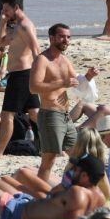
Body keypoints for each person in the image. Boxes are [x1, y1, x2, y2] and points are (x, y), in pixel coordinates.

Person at [32, 23, 98, 182]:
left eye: (68, 37)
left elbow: (76, 84)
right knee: (49, 160)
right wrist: (62, 83)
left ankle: (75, 185)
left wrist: (88, 76)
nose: (66, 40)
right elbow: (34, 87)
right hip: (50, 115)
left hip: (65, 116)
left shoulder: (65, 60)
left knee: (78, 154)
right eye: (62, 36)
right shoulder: (42, 60)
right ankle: (39, 194)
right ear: (51, 38)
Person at [0, 0, 40, 159]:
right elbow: (0, 42)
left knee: (7, 114)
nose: (4, 12)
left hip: (22, 75)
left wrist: (39, 73)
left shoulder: (25, 25)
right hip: (20, 74)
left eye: (6, 9)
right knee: (34, 113)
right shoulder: (17, 25)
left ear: (16, 7)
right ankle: (50, 145)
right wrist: (3, 22)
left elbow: (36, 50)